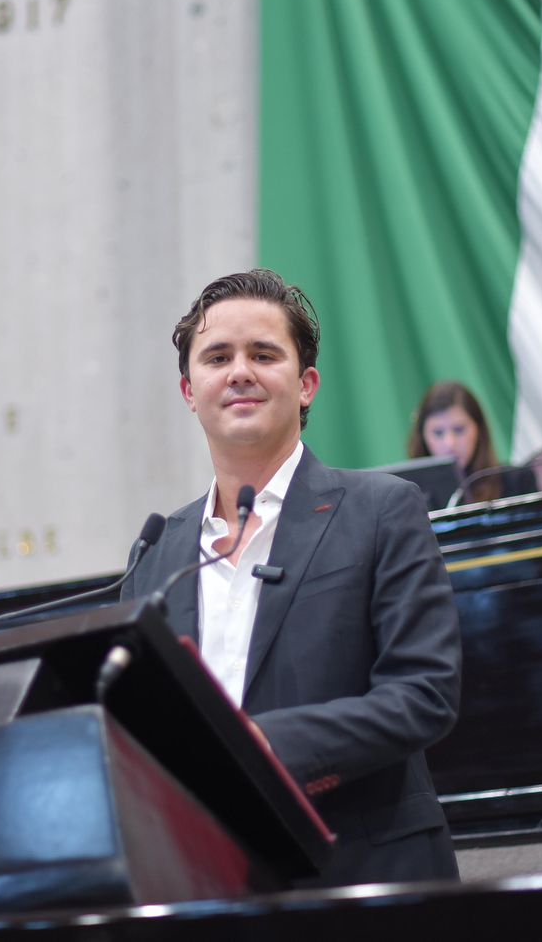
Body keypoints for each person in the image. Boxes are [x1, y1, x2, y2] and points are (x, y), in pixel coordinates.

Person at [121, 269, 462, 887]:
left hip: (365, 873)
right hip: (206, 884)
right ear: (189, 391)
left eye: (263, 354)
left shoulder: (383, 510)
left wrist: (262, 745)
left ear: (306, 385)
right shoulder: (156, 553)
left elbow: (424, 693)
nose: (239, 372)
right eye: (217, 357)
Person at [406, 381, 525, 504]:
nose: (450, 443)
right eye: (438, 433)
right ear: (422, 436)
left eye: (459, 430)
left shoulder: (517, 481)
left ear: (479, 429)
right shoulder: (409, 496)